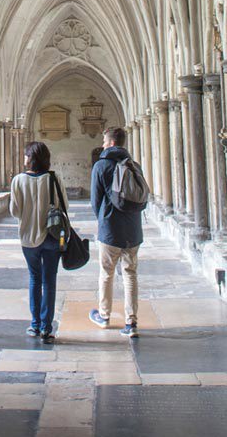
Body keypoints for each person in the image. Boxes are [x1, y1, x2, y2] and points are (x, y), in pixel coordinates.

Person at [89, 126, 144, 337]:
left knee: (106, 273)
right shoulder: (134, 164)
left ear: (111, 143)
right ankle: (131, 322)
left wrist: (103, 219)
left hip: (110, 229)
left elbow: (96, 201)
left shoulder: (101, 165)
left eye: (104, 142)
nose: (103, 145)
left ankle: (104, 316)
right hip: (133, 229)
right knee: (130, 274)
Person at [10, 141, 65, 342]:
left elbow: (14, 211)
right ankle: (46, 328)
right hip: (51, 236)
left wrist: (29, 213)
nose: (24, 158)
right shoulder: (54, 178)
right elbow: (64, 206)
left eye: (26, 155)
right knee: (50, 281)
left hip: (28, 237)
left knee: (35, 278)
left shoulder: (18, 180)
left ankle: (34, 324)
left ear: (31, 158)